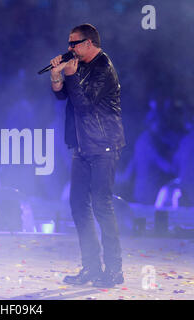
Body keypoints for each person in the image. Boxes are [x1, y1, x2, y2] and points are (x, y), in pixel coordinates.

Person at [50, 24, 126, 288]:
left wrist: (70, 74)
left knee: (101, 206)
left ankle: (114, 270)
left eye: (74, 44)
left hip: (103, 146)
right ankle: (91, 267)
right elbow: (63, 98)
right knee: (78, 205)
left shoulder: (104, 68)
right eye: (69, 44)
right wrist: (57, 77)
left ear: (90, 43)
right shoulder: (78, 63)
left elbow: (85, 105)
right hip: (81, 146)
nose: (69, 48)